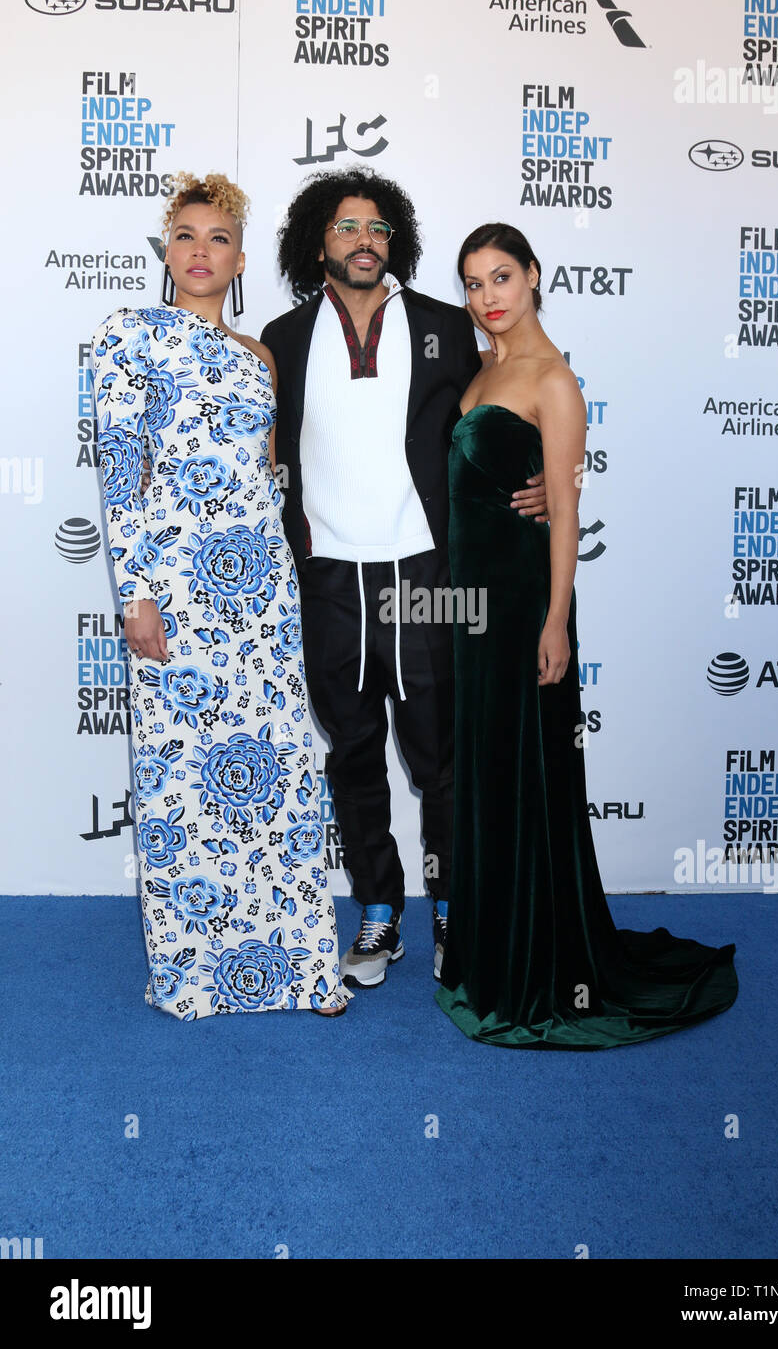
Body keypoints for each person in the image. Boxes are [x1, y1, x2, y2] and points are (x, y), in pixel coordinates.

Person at [435, 223, 738, 1047]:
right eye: (472, 283)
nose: (487, 297)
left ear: (534, 276)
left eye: (501, 277)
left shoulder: (554, 381)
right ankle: (487, 955)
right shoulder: (486, 367)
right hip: (472, 610)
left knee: (528, 774)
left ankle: (536, 970)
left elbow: (565, 509)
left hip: (525, 606)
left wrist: (557, 620)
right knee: (488, 773)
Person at [261, 169, 547, 988]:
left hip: (428, 574)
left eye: (380, 228)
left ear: (397, 243)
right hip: (326, 578)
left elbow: (521, 391)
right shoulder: (280, 339)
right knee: (351, 754)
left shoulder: (448, 326)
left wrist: (548, 481)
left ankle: (454, 910)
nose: (364, 240)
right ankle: (379, 914)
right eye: (348, 227)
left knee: (441, 761)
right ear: (319, 241)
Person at [91, 172, 350, 1019]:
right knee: (184, 778)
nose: (201, 252)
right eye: (185, 237)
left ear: (240, 260)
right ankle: (195, 975)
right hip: (176, 590)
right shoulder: (127, 338)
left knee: (275, 772)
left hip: (263, 591)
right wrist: (136, 595)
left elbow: (267, 476)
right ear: (166, 253)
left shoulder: (261, 356)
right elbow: (123, 476)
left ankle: (298, 967)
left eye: (218, 240)